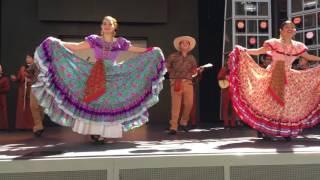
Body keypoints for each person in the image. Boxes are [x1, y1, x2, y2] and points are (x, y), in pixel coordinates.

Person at [32, 16, 166, 143]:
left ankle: (103, 134)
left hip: (114, 74)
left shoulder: (120, 42)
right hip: (97, 73)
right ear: (101, 27)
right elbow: (77, 47)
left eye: (110, 24)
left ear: (114, 27)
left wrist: (153, 50)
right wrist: (58, 43)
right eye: (105, 23)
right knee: (95, 101)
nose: (107, 26)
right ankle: (95, 132)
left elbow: (136, 50)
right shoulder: (95, 40)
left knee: (108, 103)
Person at [228, 20, 320, 140]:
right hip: (275, 74)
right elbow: (259, 51)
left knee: (287, 104)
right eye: (287, 27)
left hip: (288, 75)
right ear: (281, 31)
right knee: (272, 103)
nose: (290, 29)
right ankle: (265, 129)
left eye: (292, 27)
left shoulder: (298, 46)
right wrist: (244, 50)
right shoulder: (274, 43)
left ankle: (285, 130)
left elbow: (308, 57)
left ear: (295, 31)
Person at [166, 36, 200, 135]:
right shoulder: (173, 56)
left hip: (188, 82)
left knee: (189, 104)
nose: (185, 44)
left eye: (187, 43)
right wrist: (173, 75)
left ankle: (184, 122)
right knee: (175, 106)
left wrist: (197, 71)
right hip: (176, 82)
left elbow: (194, 71)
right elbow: (166, 66)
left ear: (189, 46)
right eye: (183, 43)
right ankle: (173, 127)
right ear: (179, 45)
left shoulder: (191, 58)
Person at [11, 55, 35, 130]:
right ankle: (21, 126)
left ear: (33, 58)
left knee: (31, 108)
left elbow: (38, 78)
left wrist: (30, 80)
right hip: (22, 90)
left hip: (31, 90)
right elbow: (19, 78)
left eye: (29, 57)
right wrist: (15, 78)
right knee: (22, 108)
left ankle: (31, 126)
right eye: (26, 58)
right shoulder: (22, 68)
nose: (27, 59)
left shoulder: (36, 67)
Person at [217, 62, 237, 128]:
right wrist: (225, 76)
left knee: (234, 108)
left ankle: (233, 124)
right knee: (225, 107)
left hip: (233, 90)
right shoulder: (224, 68)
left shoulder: (236, 68)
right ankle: (226, 123)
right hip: (226, 90)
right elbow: (219, 77)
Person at [0, 64, 10, 129]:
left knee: (2, 112)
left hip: (2, 97)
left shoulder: (5, 78)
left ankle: (3, 126)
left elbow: (7, 88)